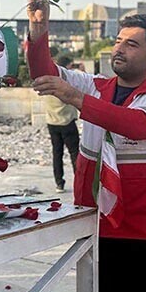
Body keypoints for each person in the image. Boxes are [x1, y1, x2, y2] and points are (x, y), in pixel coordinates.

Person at [26, 0, 146, 292]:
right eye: (118, 41)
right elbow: (44, 74)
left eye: (131, 44)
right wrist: (39, 31)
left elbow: (137, 125)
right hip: (97, 218)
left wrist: (76, 98)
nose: (119, 49)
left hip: (141, 225)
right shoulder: (96, 85)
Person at [44, 56, 80, 193]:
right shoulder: (64, 84)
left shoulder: (48, 82)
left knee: (57, 153)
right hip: (67, 122)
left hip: (52, 122)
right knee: (75, 153)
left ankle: (59, 183)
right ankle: (79, 181)